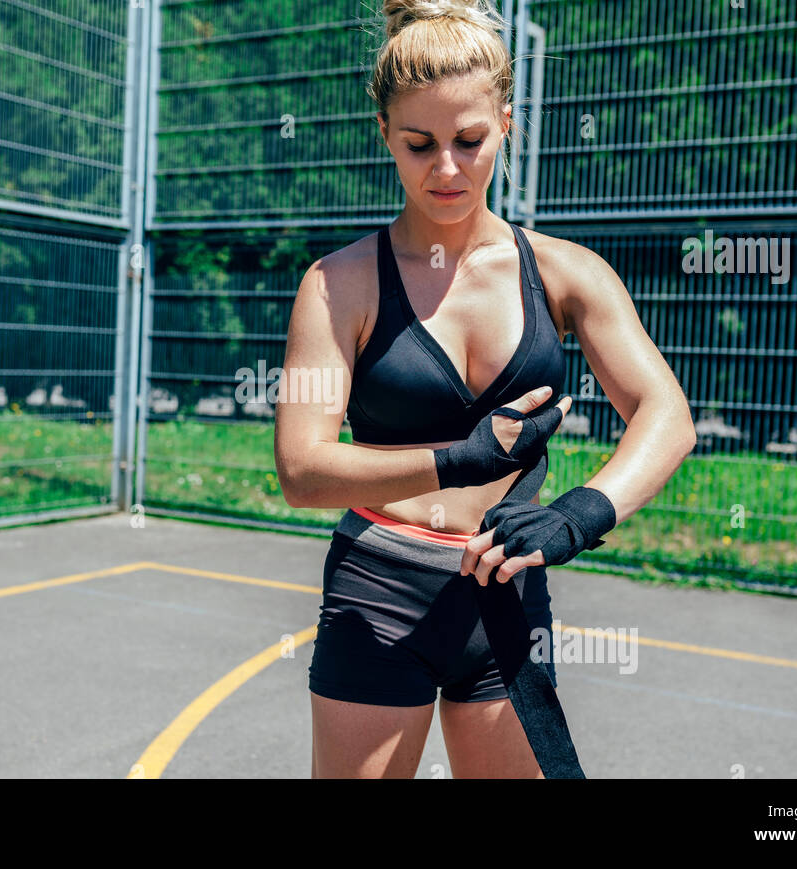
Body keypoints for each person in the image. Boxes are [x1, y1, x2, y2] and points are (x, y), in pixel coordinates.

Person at [273, 0, 696, 778]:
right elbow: (302, 468)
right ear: (384, 136)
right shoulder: (339, 284)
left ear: (506, 122)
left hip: (505, 596)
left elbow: (665, 413)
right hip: (380, 594)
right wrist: (458, 457)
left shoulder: (566, 273)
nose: (446, 169)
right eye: (419, 144)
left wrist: (580, 512)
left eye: (470, 141)